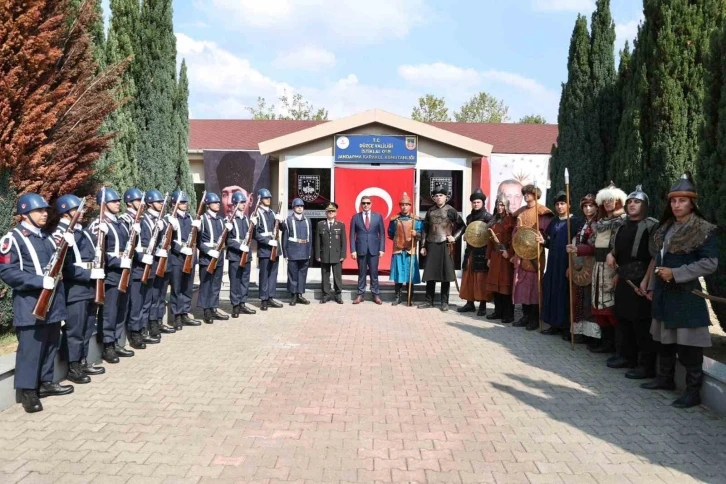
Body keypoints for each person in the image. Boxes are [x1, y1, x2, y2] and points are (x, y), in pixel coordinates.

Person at [642, 173, 718, 409]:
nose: (676, 205)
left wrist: (676, 273)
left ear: (692, 203)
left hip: (686, 294)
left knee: (689, 345)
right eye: (673, 201)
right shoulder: (665, 228)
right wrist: (652, 284)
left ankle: (693, 392)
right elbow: (659, 259)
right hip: (664, 293)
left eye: (682, 201)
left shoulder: (704, 229)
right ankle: (665, 379)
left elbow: (710, 263)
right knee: (664, 339)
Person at [0, 193, 73, 413]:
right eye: (38, 211)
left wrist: (68, 247)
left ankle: (46, 382)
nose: (44, 214)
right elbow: (7, 272)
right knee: (30, 349)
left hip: (53, 303)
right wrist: (38, 281)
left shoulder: (48, 237)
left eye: (45, 210)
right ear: (24, 214)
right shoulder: (11, 239)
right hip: (30, 302)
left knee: (51, 342)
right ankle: (28, 392)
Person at [605, 185, 658, 377]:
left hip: (641, 280)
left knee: (641, 322)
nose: (633, 205)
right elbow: (618, 249)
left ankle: (646, 366)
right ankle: (626, 356)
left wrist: (647, 281)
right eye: (630, 202)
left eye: (637, 202)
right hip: (624, 277)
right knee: (623, 318)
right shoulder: (622, 225)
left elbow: (655, 256)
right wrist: (611, 254)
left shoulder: (652, 225)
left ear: (645, 205)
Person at [52, 195, 103, 384]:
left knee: (88, 326)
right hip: (74, 289)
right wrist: (89, 275)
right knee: (75, 328)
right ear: (66, 211)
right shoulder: (61, 233)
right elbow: (64, 266)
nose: (82, 212)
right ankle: (73, 366)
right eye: (77, 209)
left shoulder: (83, 231)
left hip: (89, 286)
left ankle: (82, 360)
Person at [589, 183, 627, 354]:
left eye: (611, 200)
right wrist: (577, 248)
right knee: (598, 306)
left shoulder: (623, 222)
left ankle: (618, 348)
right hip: (598, 267)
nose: (608, 203)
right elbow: (592, 246)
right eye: (605, 201)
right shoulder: (601, 222)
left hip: (613, 268)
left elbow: (622, 246)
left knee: (611, 307)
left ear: (619, 201)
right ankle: (606, 343)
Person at [538, 191, 582, 335]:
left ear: (569, 204)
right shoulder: (555, 221)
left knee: (565, 293)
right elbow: (551, 243)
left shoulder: (575, 222)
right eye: (557, 204)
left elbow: (578, 244)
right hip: (553, 264)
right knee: (552, 291)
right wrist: (543, 242)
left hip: (566, 262)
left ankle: (565, 326)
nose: (559, 206)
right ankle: (553, 324)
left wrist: (573, 265)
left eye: (562, 203)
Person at [511, 184, 553, 330]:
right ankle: (525, 316)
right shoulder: (521, 212)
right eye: (525, 193)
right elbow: (514, 232)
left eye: (529, 193)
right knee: (521, 286)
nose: (526, 196)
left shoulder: (542, 212)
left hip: (535, 254)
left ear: (535, 195)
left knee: (534, 287)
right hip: (521, 253)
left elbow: (547, 233)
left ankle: (534, 319)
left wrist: (541, 237)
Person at [418, 184, 466, 312]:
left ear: (446, 197)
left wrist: (454, 237)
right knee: (430, 273)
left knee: (445, 274)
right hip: (432, 244)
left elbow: (462, 226)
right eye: (436, 196)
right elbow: (425, 230)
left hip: (445, 244)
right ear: (433, 198)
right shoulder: (430, 211)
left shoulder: (451, 211)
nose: (438, 198)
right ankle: (429, 301)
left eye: (441, 195)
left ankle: (444, 302)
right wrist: (423, 245)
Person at [565, 194, 600, 344]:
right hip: (579, 267)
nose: (588, 209)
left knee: (589, 301)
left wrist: (578, 249)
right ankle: (579, 331)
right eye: (585, 206)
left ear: (597, 207)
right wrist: (571, 266)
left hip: (592, 267)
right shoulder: (582, 225)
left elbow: (597, 247)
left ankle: (592, 335)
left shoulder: (599, 225)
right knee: (577, 299)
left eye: (591, 206)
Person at [167, 190, 201, 329]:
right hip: (177, 258)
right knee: (177, 288)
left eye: (185, 202)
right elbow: (168, 241)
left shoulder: (190, 218)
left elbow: (195, 239)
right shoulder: (171, 219)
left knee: (187, 287)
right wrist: (181, 249)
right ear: (174, 203)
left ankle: (185, 313)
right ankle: (176, 316)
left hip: (190, 257)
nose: (185, 204)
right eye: (181, 202)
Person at [458, 188, 492, 316]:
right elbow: (469, 232)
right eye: (474, 202)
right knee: (468, 277)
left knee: (481, 279)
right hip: (470, 251)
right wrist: (466, 236)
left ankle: (482, 305)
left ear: (483, 203)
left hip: (482, 252)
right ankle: (469, 303)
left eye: (478, 202)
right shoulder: (469, 218)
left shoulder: (488, 218)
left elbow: (490, 236)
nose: (476, 204)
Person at [197, 192, 229, 324]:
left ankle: (213, 308)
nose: (218, 204)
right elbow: (198, 242)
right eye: (215, 203)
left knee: (216, 284)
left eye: (218, 202)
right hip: (207, 257)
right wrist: (209, 251)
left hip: (219, 257)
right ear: (208, 204)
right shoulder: (202, 220)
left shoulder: (221, 220)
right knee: (206, 284)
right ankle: (206, 311)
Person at [387, 192, 423, 306]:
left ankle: (410, 298)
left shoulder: (416, 220)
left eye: (407, 204)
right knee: (398, 275)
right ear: (400, 206)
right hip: (398, 250)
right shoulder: (394, 220)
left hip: (410, 251)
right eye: (402, 204)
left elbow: (421, 235)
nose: (404, 207)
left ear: (410, 206)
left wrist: (416, 233)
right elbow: (391, 233)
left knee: (409, 275)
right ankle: (397, 297)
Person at [225, 191, 257, 317]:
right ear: (234, 204)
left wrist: (254, 225)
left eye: (244, 202)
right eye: (241, 202)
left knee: (245, 280)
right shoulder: (229, 219)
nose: (243, 205)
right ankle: (235, 305)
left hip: (246, 255)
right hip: (235, 255)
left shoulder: (246, 218)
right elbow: (227, 240)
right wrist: (239, 246)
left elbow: (250, 237)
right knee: (235, 280)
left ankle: (243, 303)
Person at [485, 196, 516, 324]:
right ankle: (498, 312)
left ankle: (508, 314)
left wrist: (509, 253)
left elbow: (515, 239)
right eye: (498, 204)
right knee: (495, 286)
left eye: (502, 205)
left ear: (507, 206)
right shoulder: (494, 220)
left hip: (506, 257)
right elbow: (490, 241)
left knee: (505, 286)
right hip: (495, 256)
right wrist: (488, 257)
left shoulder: (511, 220)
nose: (500, 207)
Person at [350, 195, 385, 305]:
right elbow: (351, 235)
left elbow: (382, 234)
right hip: (360, 249)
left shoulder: (378, 217)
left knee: (374, 273)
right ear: (361, 205)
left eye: (368, 203)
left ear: (371, 204)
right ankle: (360, 294)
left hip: (374, 249)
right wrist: (353, 250)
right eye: (363, 203)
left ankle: (376, 294)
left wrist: (382, 248)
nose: (366, 205)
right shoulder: (356, 217)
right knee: (361, 273)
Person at [255, 188, 284, 310]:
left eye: (269, 198)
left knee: (273, 274)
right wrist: (267, 241)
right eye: (266, 198)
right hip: (265, 249)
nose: (268, 200)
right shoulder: (256, 214)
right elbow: (255, 234)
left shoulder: (272, 213)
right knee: (264, 274)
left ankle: (271, 297)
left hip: (275, 248)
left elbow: (282, 228)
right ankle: (263, 299)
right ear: (260, 199)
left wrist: (281, 221)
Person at [283, 198, 313, 306]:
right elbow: (285, 237)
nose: (300, 208)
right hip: (293, 251)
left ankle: (300, 294)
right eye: (298, 206)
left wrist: (309, 251)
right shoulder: (289, 220)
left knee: (302, 274)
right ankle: (293, 295)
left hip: (304, 250)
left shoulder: (307, 220)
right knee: (292, 274)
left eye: (301, 206)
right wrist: (285, 253)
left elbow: (310, 237)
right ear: (293, 208)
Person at [316, 202, 346, 304]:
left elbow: (343, 242)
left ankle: (338, 295)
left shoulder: (340, 225)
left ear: (336, 213)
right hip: (324, 254)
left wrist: (343, 255)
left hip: (337, 255)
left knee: (337, 276)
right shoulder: (320, 224)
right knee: (325, 276)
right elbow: (317, 241)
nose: (331, 213)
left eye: (333, 211)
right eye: (329, 211)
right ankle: (326, 295)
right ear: (326, 213)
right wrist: (317, 255)